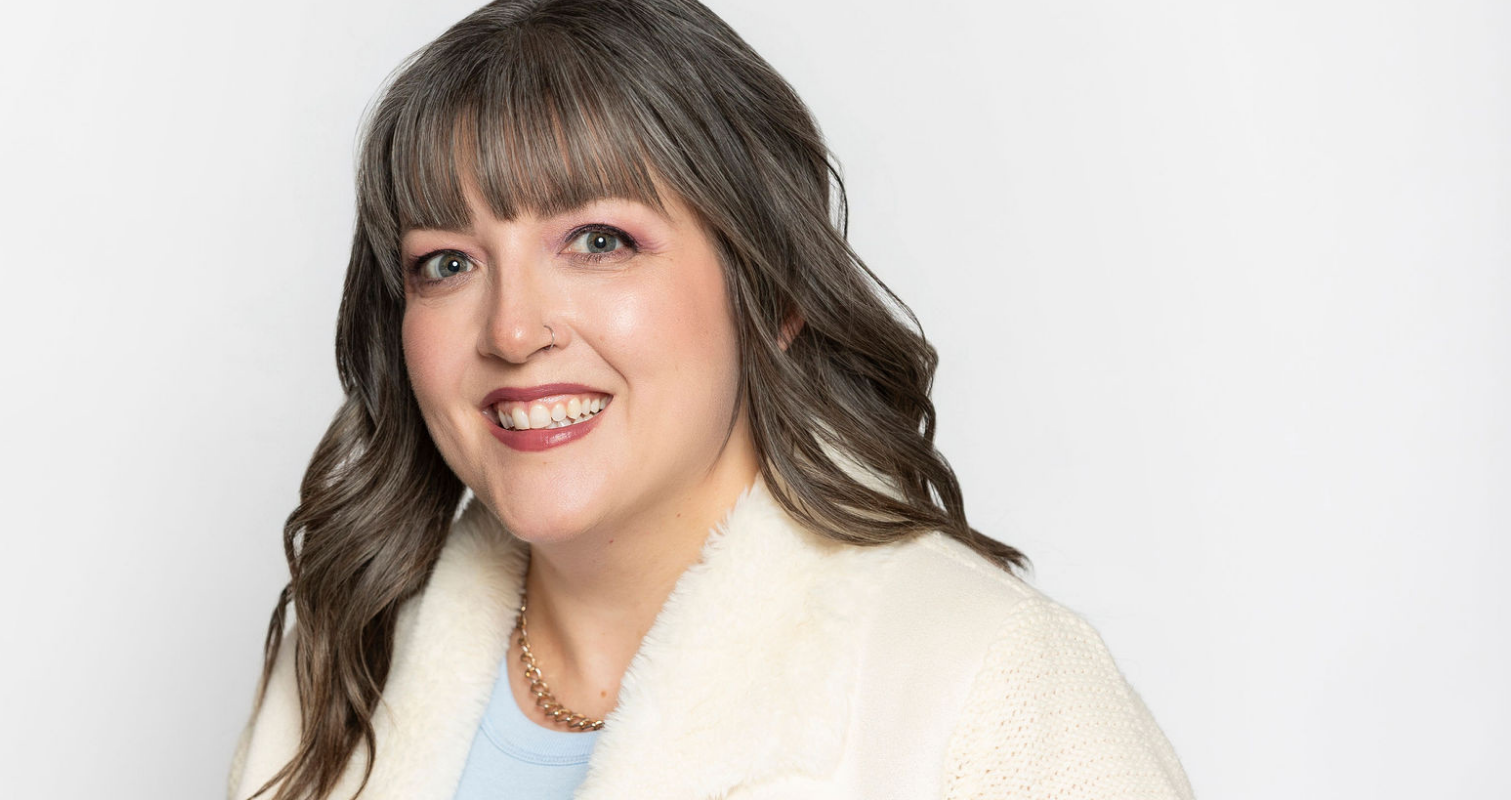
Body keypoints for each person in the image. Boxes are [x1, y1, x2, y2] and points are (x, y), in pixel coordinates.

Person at [227, 0, 1194, 797]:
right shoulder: (341, 673)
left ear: (770, 292)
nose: (513, 331)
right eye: (447, 262)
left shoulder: (989, 685)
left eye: (599, 241)